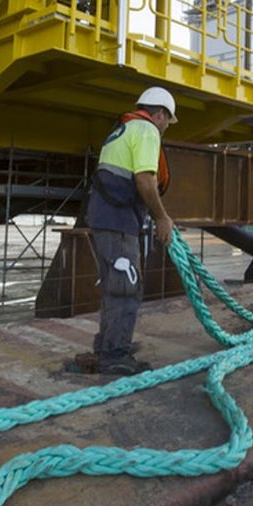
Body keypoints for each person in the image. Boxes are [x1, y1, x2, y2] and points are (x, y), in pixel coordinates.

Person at [84, 86, 177, 375]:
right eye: (166, 122)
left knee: (115, 286)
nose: (165, 129)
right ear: (160, 114)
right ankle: (115, 356)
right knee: (126, 289)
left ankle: (107, 345)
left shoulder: (121, 131)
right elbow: (145, 181)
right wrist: (162, 217)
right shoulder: (147, 130)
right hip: (118, 222)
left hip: (103, 220)